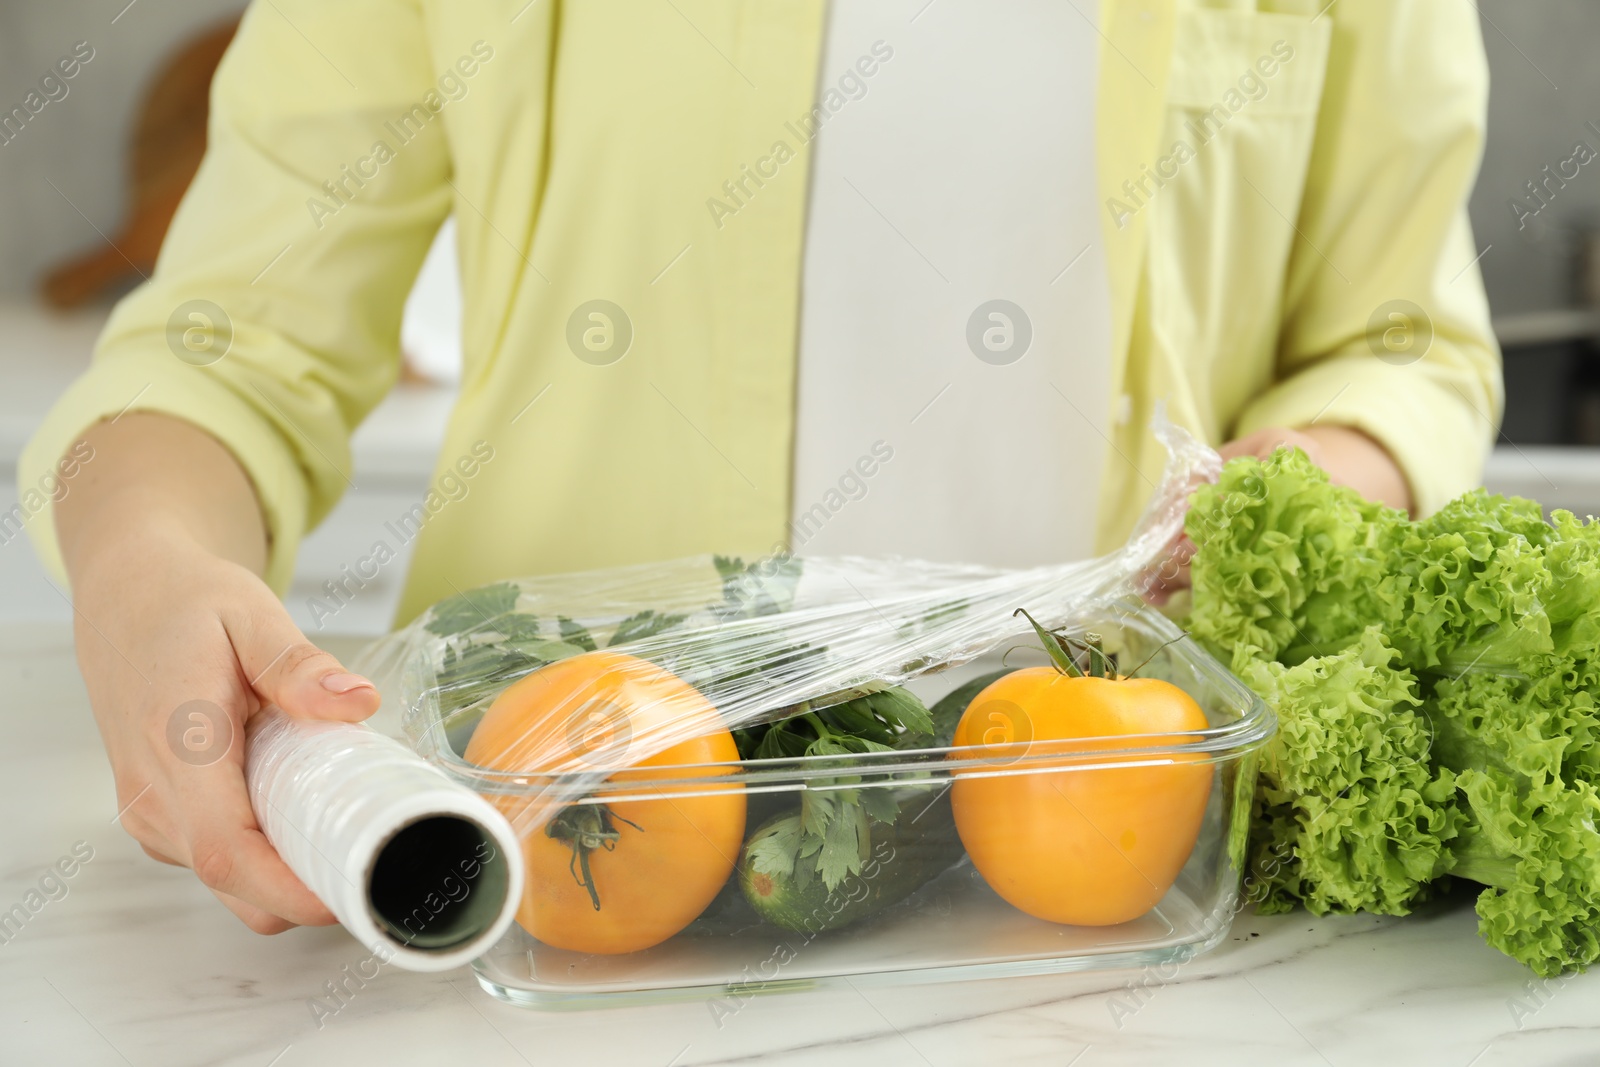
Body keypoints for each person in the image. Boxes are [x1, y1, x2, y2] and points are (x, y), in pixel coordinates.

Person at [21, 0, 1500, 934]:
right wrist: (142, 557)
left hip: (1124, 898)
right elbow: (233, 343)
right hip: (560, 879)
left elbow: (1406, 345)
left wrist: (1310, 479)